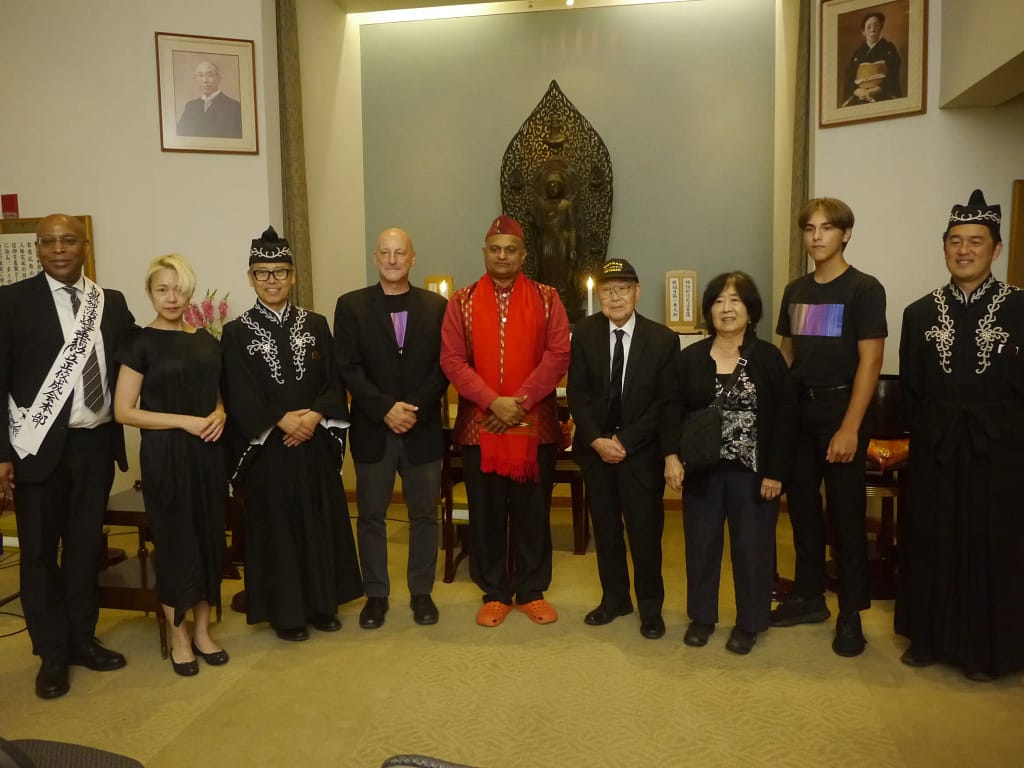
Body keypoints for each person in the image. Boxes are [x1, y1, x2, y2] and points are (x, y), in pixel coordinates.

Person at [0, 214, 135, 699]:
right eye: (49, 241)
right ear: (38, 248)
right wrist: (1, 454)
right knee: (38, 553)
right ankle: (52, 653)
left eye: (68, 240)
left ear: (84, 246)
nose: (58, 249)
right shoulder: (12, 301)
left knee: (83, 548)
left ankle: (82, 639)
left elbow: (140, 359)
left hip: (94, 445)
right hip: (35, 448)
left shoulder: (110, 302)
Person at [897, 189, 1024, 681]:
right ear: (944, 247)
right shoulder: (919, 313)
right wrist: (928, 433)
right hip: (938, 446)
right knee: (933, 539)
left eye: (976, 241)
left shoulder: (1019, 307)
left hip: (1002, 450)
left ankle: (987, 652)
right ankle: (927, 638)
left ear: (996, 248)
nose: (964, 250)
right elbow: (911, 387)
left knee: (994, 545)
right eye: (955, 241)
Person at [221, 226, 362, 641]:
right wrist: (281, 420)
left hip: (313, 442)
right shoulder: (236, 331)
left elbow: (333, 381)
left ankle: (323, 605)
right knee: (277, 529)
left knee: (319, 521)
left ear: (293, 276)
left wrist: (314, 417)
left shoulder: (316, 324)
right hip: (269, 448)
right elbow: (238, 391)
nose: (272, 280)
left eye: (280, 272)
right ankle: (287, 615)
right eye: (262, 273)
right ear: (250, 278)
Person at [440, 215, 570, 627]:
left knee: (533, 513)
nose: (502, 256)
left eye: (510, 250)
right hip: (480, 427)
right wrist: (493, 402)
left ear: (523, 255)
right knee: (486, 513)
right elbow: (452, 360)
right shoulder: (461, 301)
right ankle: (494, 592)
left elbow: (558, 354)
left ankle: (531, 591)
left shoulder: (548, 298)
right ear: (484, 253)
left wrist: (520, 402)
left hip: (536, 426)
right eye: (495, 249)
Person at [772, 198, 886, 658]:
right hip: (799, 415)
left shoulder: (864, 289)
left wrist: (850, 428)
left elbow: (871, 362)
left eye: (827, 228)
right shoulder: (796, 290)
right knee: (802, 510)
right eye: (810, 228)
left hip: (841, 412)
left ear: (846, 234)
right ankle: (809, 596)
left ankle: (851, 614)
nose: (817, 236)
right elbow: (787, 354)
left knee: (846, 516)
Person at [664, 272, 795, 654]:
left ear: (750, 310)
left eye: (735, 300)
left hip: (753, 474)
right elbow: (670, 410)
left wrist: (776, 472)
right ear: (709, 310)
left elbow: (786, 418)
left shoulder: (767, 357)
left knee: (752, 550)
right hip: (702, 470)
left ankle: (750, 623)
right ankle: (702, 618)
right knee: (701, 547)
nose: (726, 308)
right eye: (719, 301)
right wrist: (671, 457)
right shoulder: (691, 358)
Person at [113, 255, 229, 676]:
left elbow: (217, 396)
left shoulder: (207, 342)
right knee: (176, 543)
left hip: (208, 455)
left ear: (190, 291)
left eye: (178, 289)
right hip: (165, 457)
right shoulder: (139, 343)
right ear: (150, 293)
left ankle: (202, 632)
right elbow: (124, 411)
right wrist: (184, 421)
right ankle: (179, 636)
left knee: (209, 539)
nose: (171, 297)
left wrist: (220, 413)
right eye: (162, 289)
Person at [334, 228, 448, 629]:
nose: (393, 259)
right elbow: (347, 367)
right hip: (373, 430)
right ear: (375, 258)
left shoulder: (437, 307)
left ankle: (422, 592)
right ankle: (376, 595)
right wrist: (385, 409)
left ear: (413, 258)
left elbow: (445, 366)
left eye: (400, 253)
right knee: (370, 516)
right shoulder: (351, 306)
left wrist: (411, 408)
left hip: (422, 428)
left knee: (424, 516)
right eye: (386, 252)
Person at [567, 258, 677, 640]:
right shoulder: (584, 333)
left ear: (637, 292)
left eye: (622, 289)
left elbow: (664, 403)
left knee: (645, 535)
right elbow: (577, 393)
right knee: (607, 531)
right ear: (599, 294)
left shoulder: (662, 340)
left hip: (640, 454)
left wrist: (625, 441)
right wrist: (596, 439)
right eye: (607, 290)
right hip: (597, 452)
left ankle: (650, 608)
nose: (615, 297)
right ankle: (615, 600)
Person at [843, 12, 902, 106]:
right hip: (860, 93)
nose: (873, 29)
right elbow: (850, 75)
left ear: (881, 28)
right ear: (863, 32)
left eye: (876, 26)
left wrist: (878, 89)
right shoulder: (858, 52)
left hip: (883, 91)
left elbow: (893, 72)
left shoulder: (888, 48)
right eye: (869, 27)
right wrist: (856, 90)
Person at [176, 61, 243, 139]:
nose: (205, 80)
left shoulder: (234, 107)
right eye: (200, 75)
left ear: (219, 79)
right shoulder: (190, 106)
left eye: (210, 75)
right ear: (195, 79)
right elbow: (180, 135)